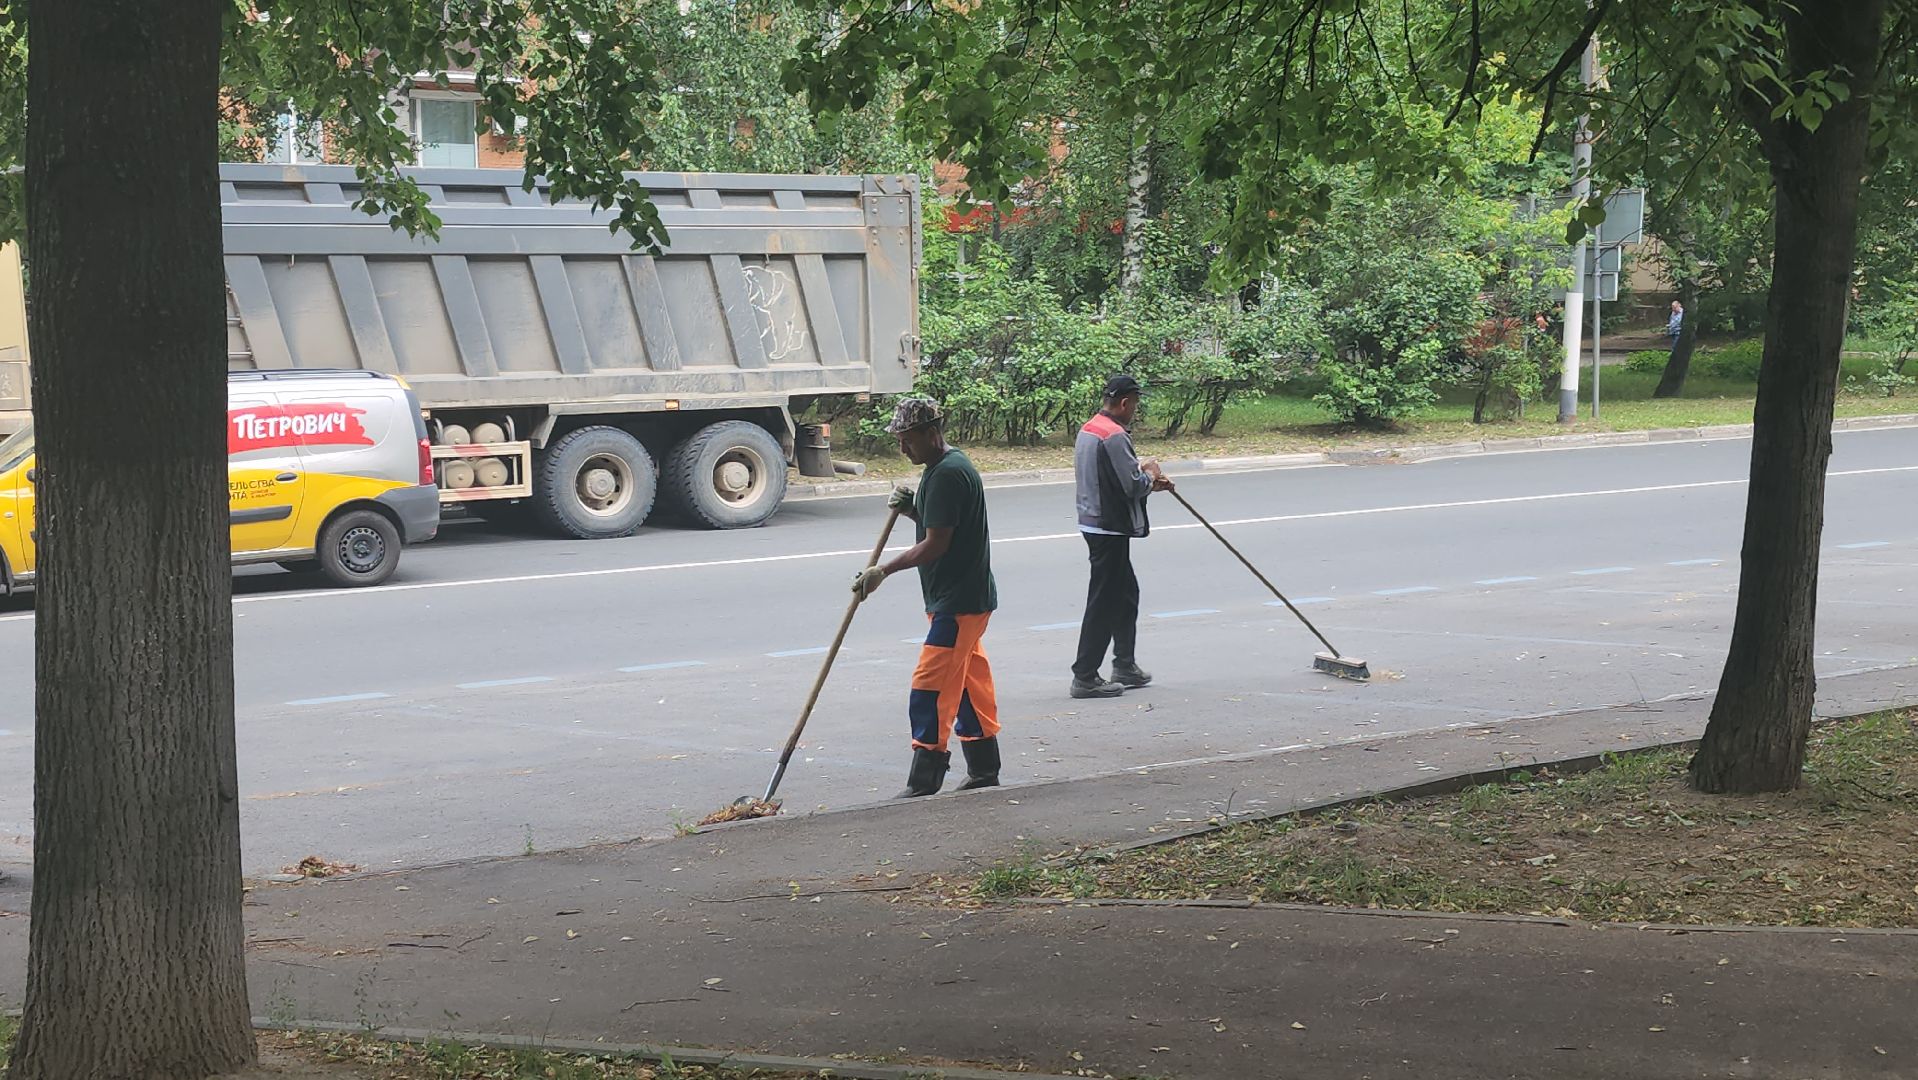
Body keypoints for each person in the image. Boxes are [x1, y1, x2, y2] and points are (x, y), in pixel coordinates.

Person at [851, 397, 1000, 797]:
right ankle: (985, 768)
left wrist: (883, 570)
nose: (902, 449)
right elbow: (944, 525)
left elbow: (936, 545)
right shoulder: (945, 467)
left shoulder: (948, 473)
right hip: (962, 598)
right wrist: (914, 509)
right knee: (969, 684)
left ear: (932, 433)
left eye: (908, 440)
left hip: (959, 601)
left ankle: (924, 779)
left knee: (930, 687)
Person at [1069, 374, 1172, 700]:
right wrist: (1150, 475)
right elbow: (1131, 485)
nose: (1135, 411)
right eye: (1135, 405)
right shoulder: (1114, 436)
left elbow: (1112, 474)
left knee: (1126, 594)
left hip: (1093, 523)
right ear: (1125, 402)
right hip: (1109, 528)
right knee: (1104, 601)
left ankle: (1124, 665)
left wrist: (1140, 471)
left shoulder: (1090, 428)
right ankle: (1085, 676)